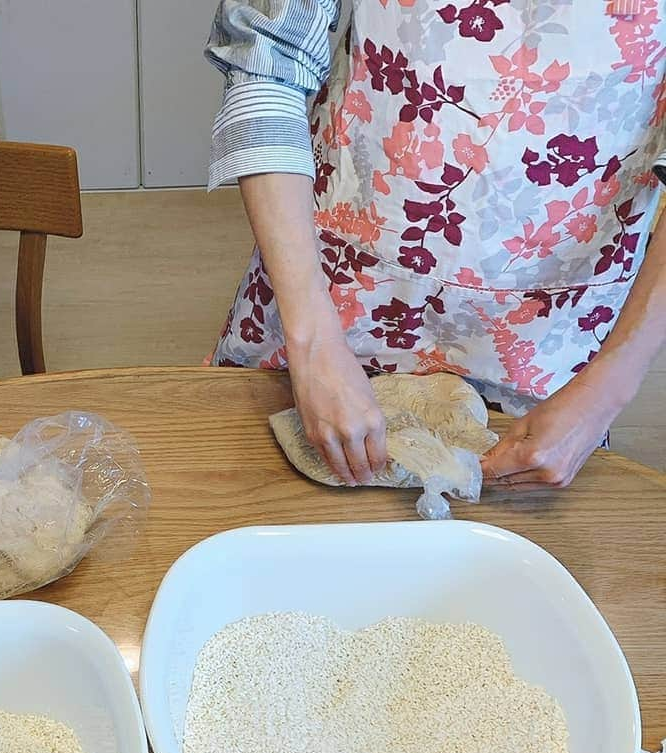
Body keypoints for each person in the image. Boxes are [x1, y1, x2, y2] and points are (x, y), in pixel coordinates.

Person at [205, 0, 666, 490]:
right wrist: (313, 341)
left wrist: (609, 386)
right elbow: (266, 64)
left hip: (551, 340)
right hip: (326, 289)